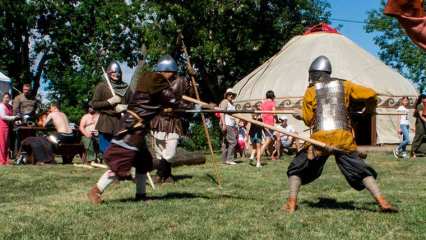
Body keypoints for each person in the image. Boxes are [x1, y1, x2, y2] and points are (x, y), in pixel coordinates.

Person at [282, 56, 398, 213]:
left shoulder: (310, 91)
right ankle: (382, 202)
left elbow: (309, 120)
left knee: (296, 169)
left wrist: (300, 115)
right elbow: (371, 94)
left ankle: (291, 203)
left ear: (314, 73)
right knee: (360, 170)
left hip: (320, 140)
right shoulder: (346, 85)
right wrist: (368, 112)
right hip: (342, 138)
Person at [87, 55, 189, 204]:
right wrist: (109, 102)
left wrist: (126, 107)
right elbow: (170, 100)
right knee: (120, 163)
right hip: (129, 128)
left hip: (136, 128)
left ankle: (141, 195)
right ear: (166, 71)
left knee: (142, 162)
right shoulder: (154, 82)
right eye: (172, 73)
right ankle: (95, 191)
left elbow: (139, 102)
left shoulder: (137, 85)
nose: (173, 76)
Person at [150, 55, 194, 184]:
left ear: (172, 71)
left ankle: (159, 174)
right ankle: (167, 175)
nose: (163, 74)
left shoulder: (182, 81)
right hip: (159, 120)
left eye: (166, 71)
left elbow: (190, 98)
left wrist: (192, 81)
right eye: (161, 72)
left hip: (174, 120)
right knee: (160, 151)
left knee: (171, 151)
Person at [91, 61, 131, 153]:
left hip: (121, 122)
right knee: (107, 150)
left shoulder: (126, 88)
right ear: (109, 73)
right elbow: (94, 105)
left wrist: (125, 107)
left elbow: (134, 104)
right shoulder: (102, 87)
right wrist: (109, 102)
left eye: (118, 72)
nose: (116, 74)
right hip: (106, 122)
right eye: (113, 72)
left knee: (120, 151)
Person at [219, 88, 238, 165]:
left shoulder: (232, 103)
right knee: (233, 141)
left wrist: (236, 123)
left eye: (232, 94)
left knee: (226, 143)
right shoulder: (225, 102)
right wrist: (223, 124)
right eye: (229, 94)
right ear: (226, 95)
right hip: (227, 124)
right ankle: (229, 159)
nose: (231, 95)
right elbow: (221, 113)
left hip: (231, 124)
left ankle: (224, 160)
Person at [0, 93, 18, 165]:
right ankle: (1, 161)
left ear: (10, 99)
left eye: (8, 98)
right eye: (5, 97)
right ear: (2, 98)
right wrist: (14, 117)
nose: (6, 99)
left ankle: (6, 160)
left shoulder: (10, 106)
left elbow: (12, 116)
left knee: (7, 144)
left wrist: (16, 120)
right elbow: (3, 116)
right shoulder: (1, 106)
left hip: (9, 127)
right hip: (1, 126)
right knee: (2, 144)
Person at [260, 90, 277, 160]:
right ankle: (259, 155)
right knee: (268, 140)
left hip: (263, 123)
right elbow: (274, 113)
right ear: (272, 96)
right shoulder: (272, 103)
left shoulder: (263, 103)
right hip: (270, 123)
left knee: (269, 140)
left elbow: (261, 114)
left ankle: (272, 156)